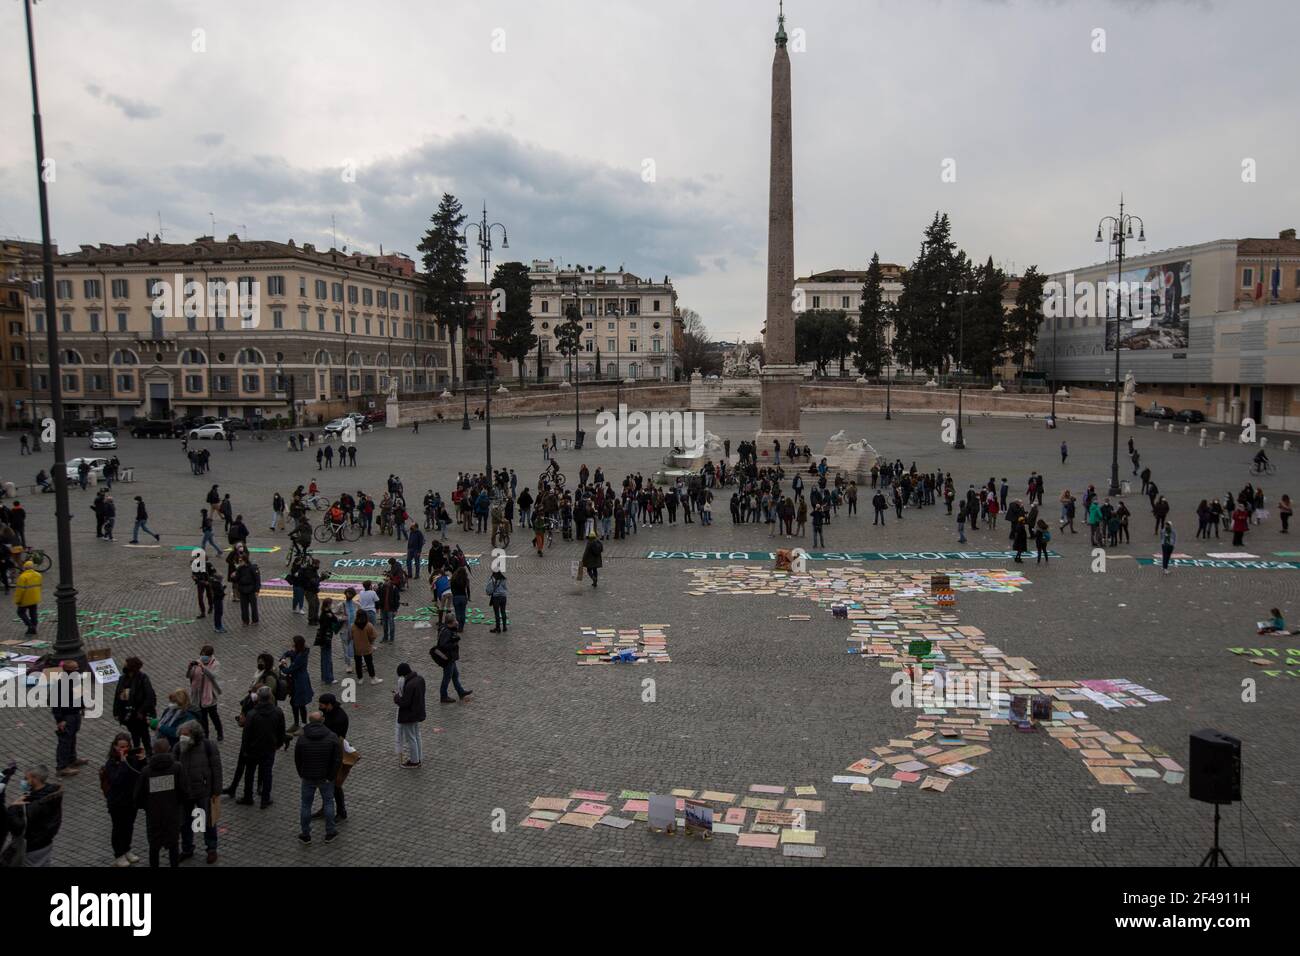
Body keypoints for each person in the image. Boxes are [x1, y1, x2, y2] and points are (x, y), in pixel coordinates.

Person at [135, 739, 188, 868]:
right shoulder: (177, 768)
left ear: (153, 751)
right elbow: (184, 791)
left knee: (154, 846)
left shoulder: (147, 771)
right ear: (169, 749)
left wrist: (147, 807)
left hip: (154, 816)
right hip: (172, 814)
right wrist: (177, 803)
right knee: (173, 845)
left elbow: (137, 796)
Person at [174, 720, 222, 864]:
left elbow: (216, 769)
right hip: (185, 793)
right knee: (185, 822)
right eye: (181, 734)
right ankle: (187, 848)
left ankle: (211, 848)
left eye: (186, 734)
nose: (183, 737)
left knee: (208, 821)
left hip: (203, 791)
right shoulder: (178, 748)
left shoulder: (208, 746)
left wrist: (216, 791)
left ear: (194, 734)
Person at [294, 711, 342, 844]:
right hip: (325, 777)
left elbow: (297, 758)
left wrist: (301, 773)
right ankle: (330, 832)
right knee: (328, 803)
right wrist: (331, 775)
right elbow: (337, 759)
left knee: (305, 805)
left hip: (308, 776)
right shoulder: (331, 737)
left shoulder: (302, 738)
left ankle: (305, 834)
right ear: (323, 721)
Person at [101, 732, 146, 866]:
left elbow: (141, 774)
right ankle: (118, 854)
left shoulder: (132, 758)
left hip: (131, 800)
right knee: (119, 828)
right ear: (115, 747)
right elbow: (116, 780)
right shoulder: (111, 763)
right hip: (117, 802)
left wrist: (143, 760)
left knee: (129, 826)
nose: (123, 749)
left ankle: (127, 849)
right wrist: (123, 763)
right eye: (121, 747)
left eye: (126, 746)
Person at [6, 765, 63, 866]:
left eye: (26, 778)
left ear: (35, 779)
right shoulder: (53, 794)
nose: (24, 781)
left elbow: (18, 826)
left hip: (31, 847)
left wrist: (13, 807)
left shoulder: (33, 805)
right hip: (46, 843)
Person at [239, 686, 286, 809]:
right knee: (267, 773)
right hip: (269, 747)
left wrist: (245, 750)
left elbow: (246, 734)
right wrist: (279, 744)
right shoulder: (278, 712)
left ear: (258, 698)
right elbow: (281, 731)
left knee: (249, 773)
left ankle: (248, 796)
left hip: (253, 749)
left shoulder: (252, 714)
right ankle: (265, 799)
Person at [49, 659, 87, 778]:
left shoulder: (75, 681)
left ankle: (72, 759)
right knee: (64, 741)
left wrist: (82, 706)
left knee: (72, 737)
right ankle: (62, 767)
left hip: (75, 714)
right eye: (75, 669)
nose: (78, 671)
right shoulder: (60, 684)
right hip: (67, 716)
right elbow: (54, 703)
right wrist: (60, 720)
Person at [316, 693, 350, 822]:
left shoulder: (339, 718)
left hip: (334, 755)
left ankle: (341, 811)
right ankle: (326, 808)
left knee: (335, 785)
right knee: (325, 785)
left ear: (329, 705)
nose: (320, 708)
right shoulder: (332, 713)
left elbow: (331, 736)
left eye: (322, 706)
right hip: (328, 753)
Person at [112, 657, 156, 751]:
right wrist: (116, 712)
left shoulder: (143, 678)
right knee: (134, 734)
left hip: (140, 713)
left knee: (144, 734)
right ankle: (136, 752)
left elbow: (149, 697)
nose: (124, 665)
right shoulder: (122, 678)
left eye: (126, 664)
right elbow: (117, 696)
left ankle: (148, 752)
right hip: (128, 714)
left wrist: (141, 711)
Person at [394, 663, 427, 769]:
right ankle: (419, 757)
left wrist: (396, 697)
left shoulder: (409, 685)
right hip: (417, 712)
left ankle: (414, 761)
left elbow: (404, 703)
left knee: (411, 737)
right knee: (417, 735)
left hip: (409, 715)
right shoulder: (420, 679)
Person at [187, 646, 223, 742]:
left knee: (214, 716)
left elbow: (212, 676)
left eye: (205, 655)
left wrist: (203, 667)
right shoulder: (197, 662)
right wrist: (190, 668)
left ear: (210, 655)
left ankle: (219, 732)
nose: (203, 657)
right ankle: (205, 736)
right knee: (203, 718)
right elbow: (189, 676)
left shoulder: (216, 664)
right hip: (198, 695)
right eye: (202, 654)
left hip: (210, 694)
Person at [431, 620, 472, 703]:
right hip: (448, 658)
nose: (457, 622)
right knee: (447, 678)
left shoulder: (448, 629)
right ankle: (443, 696)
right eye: (455, 621)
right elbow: (443, 645)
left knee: (455, 675)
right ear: (450, 622)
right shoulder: (446, 632)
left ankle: (461, 692)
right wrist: (454, 642)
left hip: (451, 658)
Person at [281, 635, 313, 734]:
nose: (292, 644)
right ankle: (296, 724)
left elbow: (289, 670)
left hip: (300, 682)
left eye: (293, 642)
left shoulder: (301, 657)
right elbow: (289, 653)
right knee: (294, 702)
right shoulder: (299, 652)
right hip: (296, 681)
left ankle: (303, 725)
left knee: (300, 703)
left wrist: (282, 666)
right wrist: (284, 657)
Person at [350, 612, 381, 685]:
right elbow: (374, 636)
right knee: (369, 663)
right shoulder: (368, 625)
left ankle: (360, 678)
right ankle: (373, 678)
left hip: (357, 648)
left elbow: (350, 637)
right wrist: (371, 642)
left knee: (358, 664)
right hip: (367, 647)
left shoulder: (353, 626)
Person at [316, 598, 341, 685]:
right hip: (326, 639)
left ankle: (324, 677)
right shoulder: (326, 616)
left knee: (324, 658)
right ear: (328, 605)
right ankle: (329, 678)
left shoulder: (325, 613)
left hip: (323, 639)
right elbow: (335, 621)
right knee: (327, 659)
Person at [14, 559, 41, 635]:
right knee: (33, 613)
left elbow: (20, 590)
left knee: (20, 612)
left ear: (25, 568)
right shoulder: (38, 575)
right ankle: (34, 626)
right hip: (35, 597)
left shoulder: (22, 577)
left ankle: (30, 626)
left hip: (25, 599)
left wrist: (18, 600)